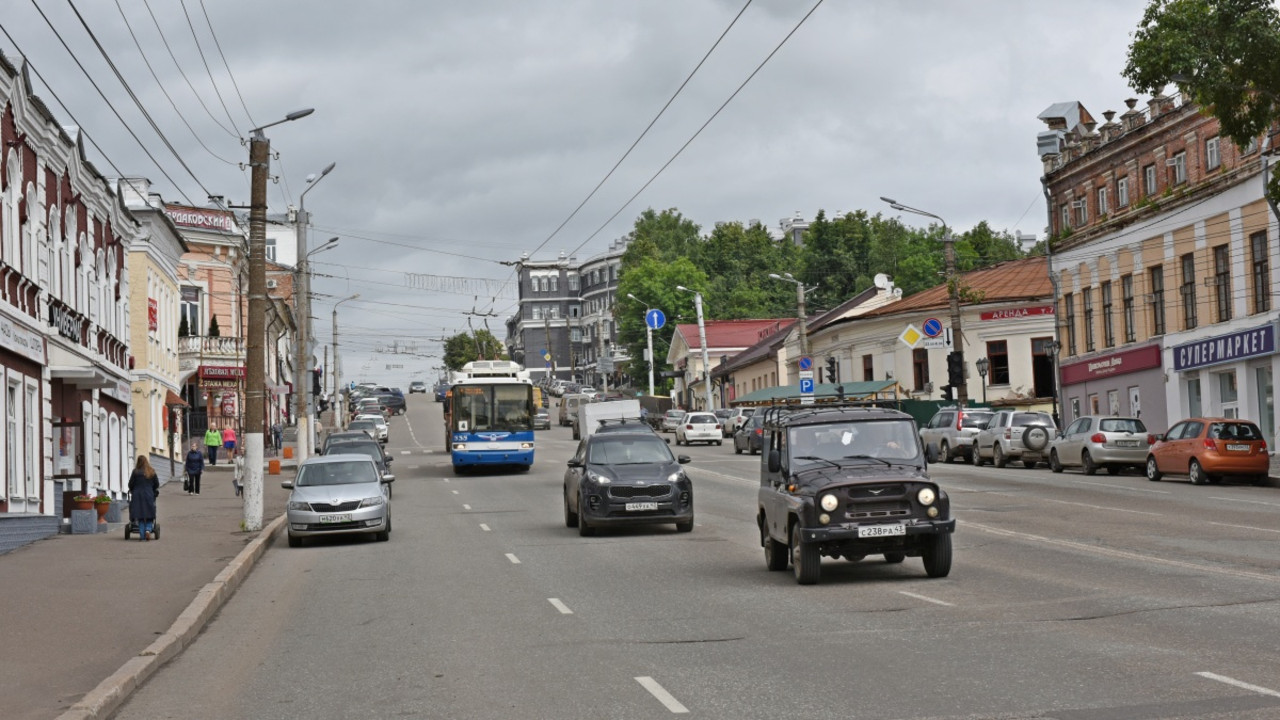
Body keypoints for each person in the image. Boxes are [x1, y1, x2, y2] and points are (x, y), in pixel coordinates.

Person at [128, 455, 160, 541]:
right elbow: (156, 484)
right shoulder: (151, 471)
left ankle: (142, 537)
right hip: (149, 495)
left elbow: (130, 484)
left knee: (140, 517)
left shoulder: (135, 472)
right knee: (150, 516)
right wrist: (152, 490)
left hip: (137, 496)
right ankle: (148, 530)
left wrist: (132, 489)